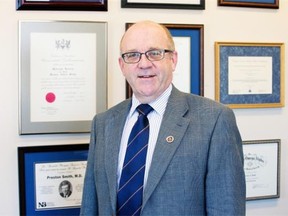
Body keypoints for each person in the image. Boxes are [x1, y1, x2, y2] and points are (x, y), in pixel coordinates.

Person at [80, 20, 246, 215]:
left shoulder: (214, 120)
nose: (144, 64)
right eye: (132, 55)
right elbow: (90, 206)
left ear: (173, 59)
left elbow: (226, 208)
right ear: (122, 65)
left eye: (154, 53)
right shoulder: (103, 123)